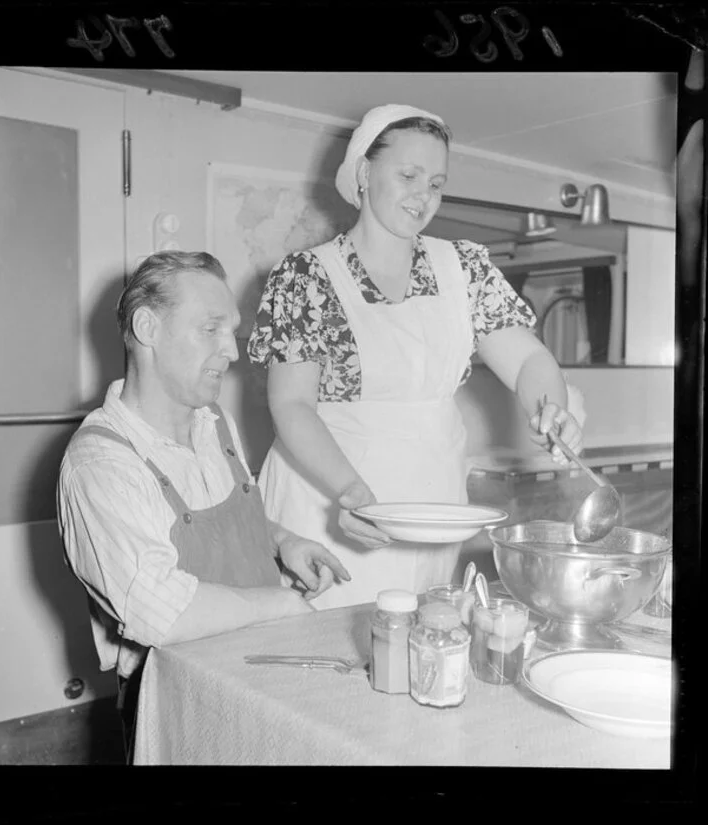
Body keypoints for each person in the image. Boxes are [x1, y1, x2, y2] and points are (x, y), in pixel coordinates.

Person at [247, 104, 585, 610]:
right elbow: (292, 404)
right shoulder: (307, 277)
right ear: (364, 172)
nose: (423, 196)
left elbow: (530, 362)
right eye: (408, 175)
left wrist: (551, 406)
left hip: (432, 505)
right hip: (327, 501)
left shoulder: (463, 268)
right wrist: (351, 493)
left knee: (417, 645)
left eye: (436, 183)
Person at [57, 251, 349, 762]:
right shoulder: (99, 463)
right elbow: (161, 614)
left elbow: (217, 514)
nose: (231, 351)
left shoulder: (212, 422)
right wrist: (280, 603)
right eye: (210, 328)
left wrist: (284, 542)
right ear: (147, 328)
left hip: (257, 668)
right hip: (176, 696)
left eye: (230, 330)